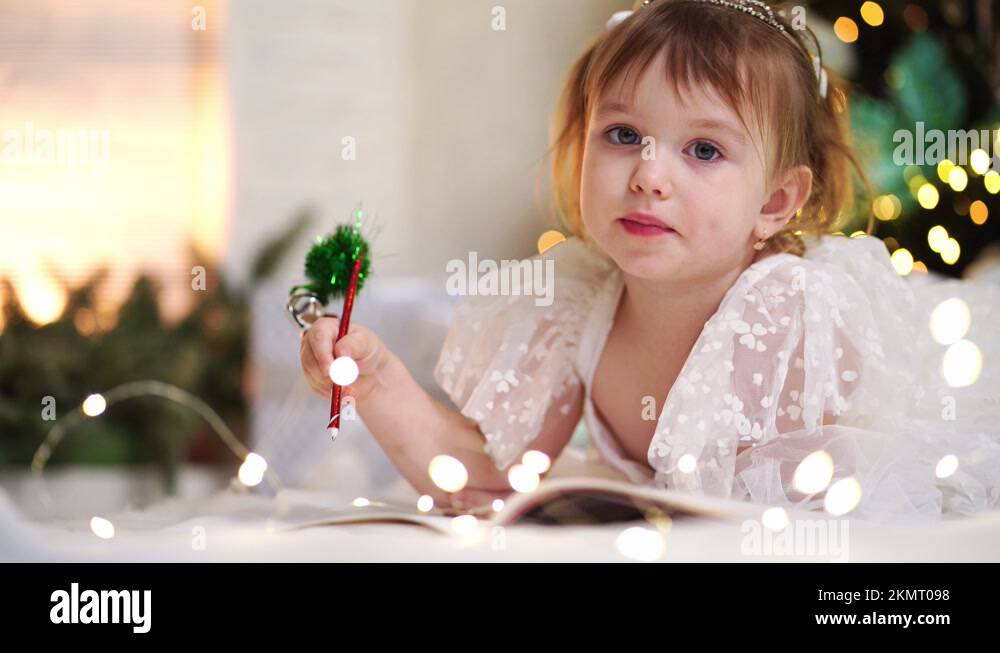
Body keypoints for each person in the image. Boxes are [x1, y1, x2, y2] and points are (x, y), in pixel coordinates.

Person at [301, 0, 1000, 521]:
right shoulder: (577, 307)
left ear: (777, 201)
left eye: (703, 149)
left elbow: (843, 513)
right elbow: (486, 478)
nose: (648, 174)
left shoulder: (791, 318)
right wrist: (381, 382)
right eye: (624, 133)